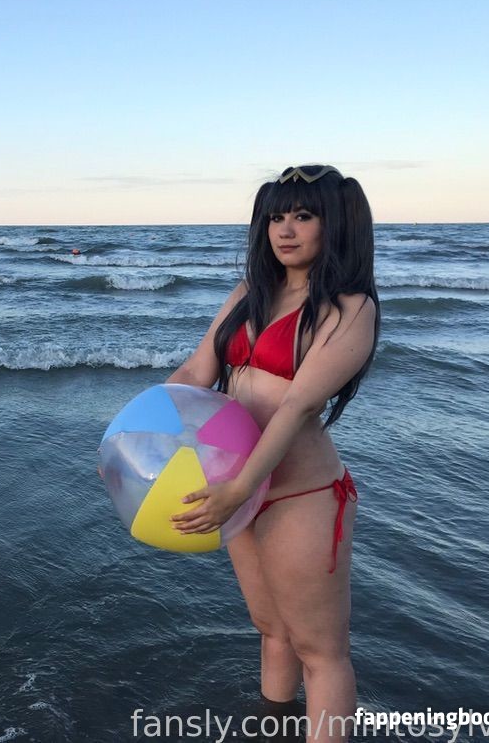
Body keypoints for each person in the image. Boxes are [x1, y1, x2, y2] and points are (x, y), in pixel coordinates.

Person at [166, 165, 379, 743]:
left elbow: (296, 407)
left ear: (336, 224)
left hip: (299, 495)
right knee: (272, 630)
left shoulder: (350, 308)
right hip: (236, 485)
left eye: (303, 216)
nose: (285, 230)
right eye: (276, 217)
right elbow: (196, 372)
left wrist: (238, 490)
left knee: (320, 650)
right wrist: (136, 433)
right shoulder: (249, 294)